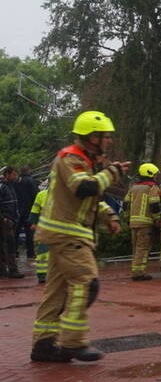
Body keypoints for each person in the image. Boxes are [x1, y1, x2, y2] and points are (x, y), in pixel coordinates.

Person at [30, 111, 130, 363]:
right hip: (67, 234)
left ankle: (43, 345)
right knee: (86, 283)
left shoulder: (83, 161)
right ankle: (73, 342)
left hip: (61, 233)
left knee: (56, 293)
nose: (108, 141)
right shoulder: (70, 158)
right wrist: (113, 172)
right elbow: (84, 188)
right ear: (90, 138)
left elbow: (88, 201)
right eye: (104, 137)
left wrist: (109, 216)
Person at [124, 163, 161, 281]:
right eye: (155, 175)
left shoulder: (133, 188)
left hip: (133, 222)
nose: (156, 177)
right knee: (143, 247)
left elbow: (125, 205)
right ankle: (138, 272)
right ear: (151, 174)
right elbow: (154, 205)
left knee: (136, 248)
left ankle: (136, 269)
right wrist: (158, 219)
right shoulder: (152, 188)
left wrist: (127, 218)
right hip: (145, 223)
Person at [0, 166, 24, 278]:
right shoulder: (2, 187)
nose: (15, 177)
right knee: (8, 245)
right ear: (7, 174)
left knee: (9, 244)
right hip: (6, 220)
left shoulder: (10, 186)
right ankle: (11, 270)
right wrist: (3, 217)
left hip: (12, 219)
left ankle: (6, 269)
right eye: (13, 174)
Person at [14, 166, 39, 260]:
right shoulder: (30, 181)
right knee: (29, 233)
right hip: (28, 210)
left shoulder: (16, 181)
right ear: (29, 171)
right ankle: (31, 253)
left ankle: (14, 252)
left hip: (17, 211)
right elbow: (36, 195)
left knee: (16, 232)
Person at [28, 185, 48, 283]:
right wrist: (33, 223)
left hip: (46, 228)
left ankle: (43, 274)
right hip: (46, 229)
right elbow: (35, 211)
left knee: (43, 253)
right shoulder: (42, 194)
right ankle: (42, 275)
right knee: (43, 252)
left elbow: (34, 211)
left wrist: (33, 222)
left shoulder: (42, 194)